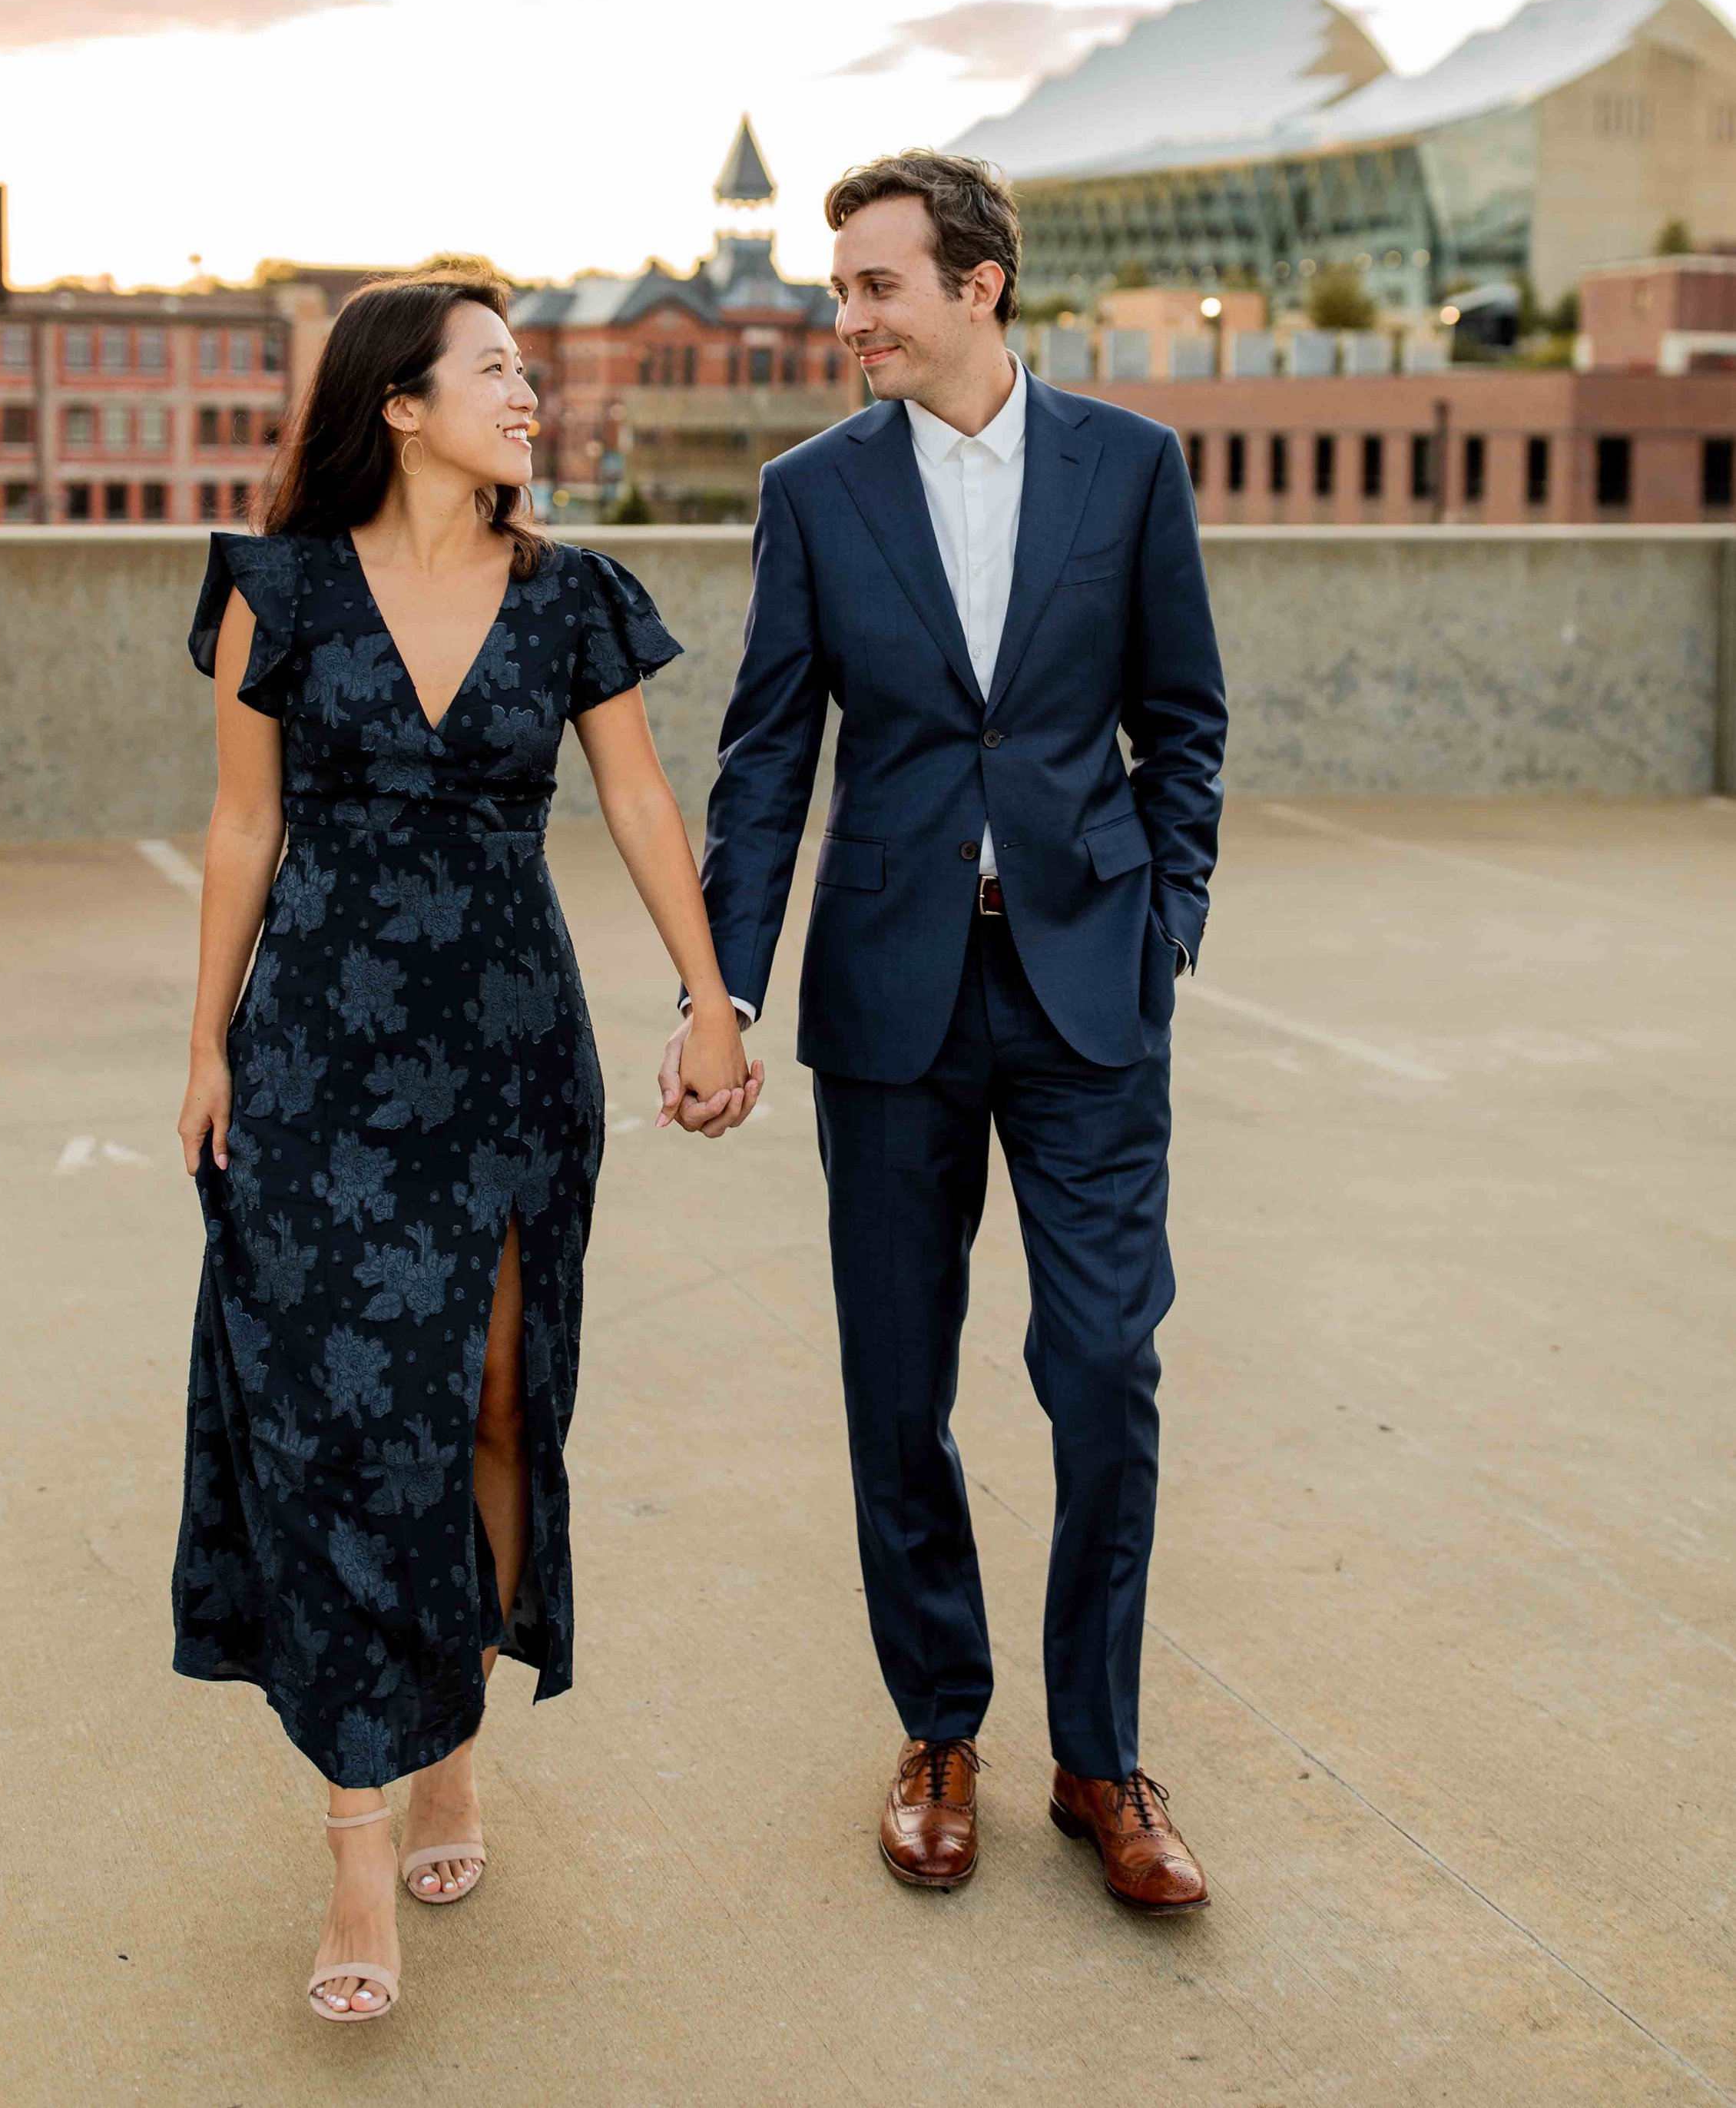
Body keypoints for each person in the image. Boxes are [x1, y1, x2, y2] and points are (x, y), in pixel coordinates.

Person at [174, 273, 758, 2025]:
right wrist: (204, 1042)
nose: (530, 395)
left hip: (508, 1058)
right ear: (401, 405)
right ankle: (358, 1837)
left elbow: (643, 799)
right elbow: (240, 822)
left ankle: (452, 1745)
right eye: (497, 371)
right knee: (338, 1428)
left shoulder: (570, 595)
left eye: (524, 370)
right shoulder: (268, 592)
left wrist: (711, 997)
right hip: (316, 1065)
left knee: (495, 1406)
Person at [658, 154, 1226, 1910]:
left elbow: (1180, 723)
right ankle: (937, 1730)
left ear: (975, 286)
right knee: (896, 1386)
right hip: (891, 997)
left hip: (1084, 994)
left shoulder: (1128, 468)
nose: (845, 320)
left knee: (1103, 1375)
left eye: (873, 288)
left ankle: (1098, 1760)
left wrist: (1162, 934)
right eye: (840, 290)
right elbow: (765, 760)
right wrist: (720, 990)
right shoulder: (813, 493)